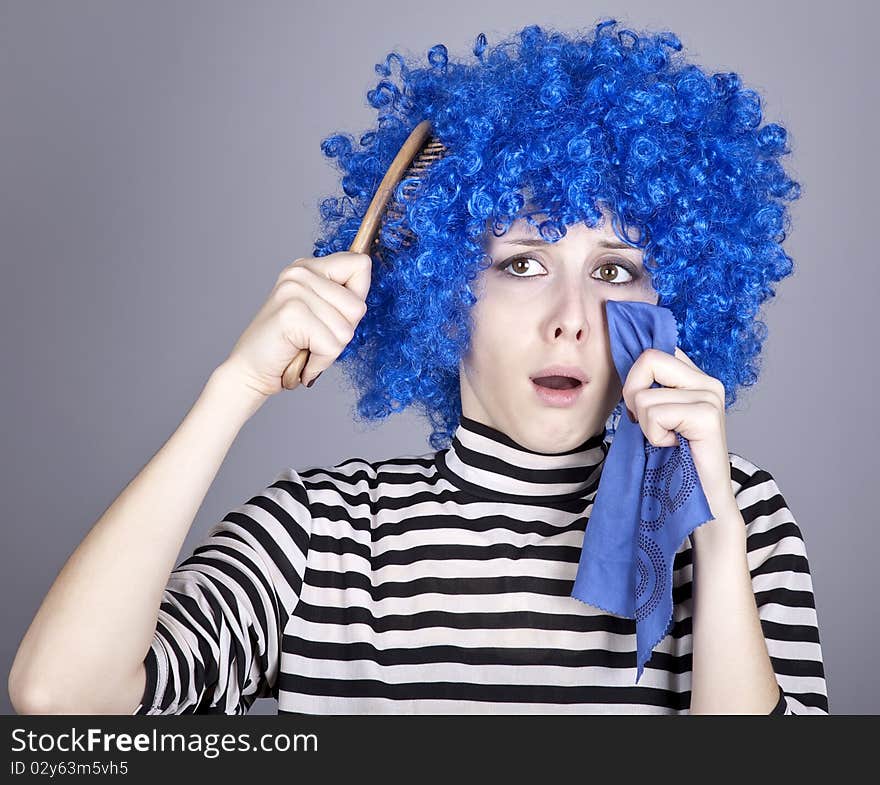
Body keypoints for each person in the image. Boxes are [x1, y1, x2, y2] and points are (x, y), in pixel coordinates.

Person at [8, 20, 829, 715]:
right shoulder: (319, 535)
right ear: (442, 290)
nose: (572, 319)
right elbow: (59, 700)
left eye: (615, 272)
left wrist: (717, 540)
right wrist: (235, 390)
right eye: (522, 264)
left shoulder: (735, 512)